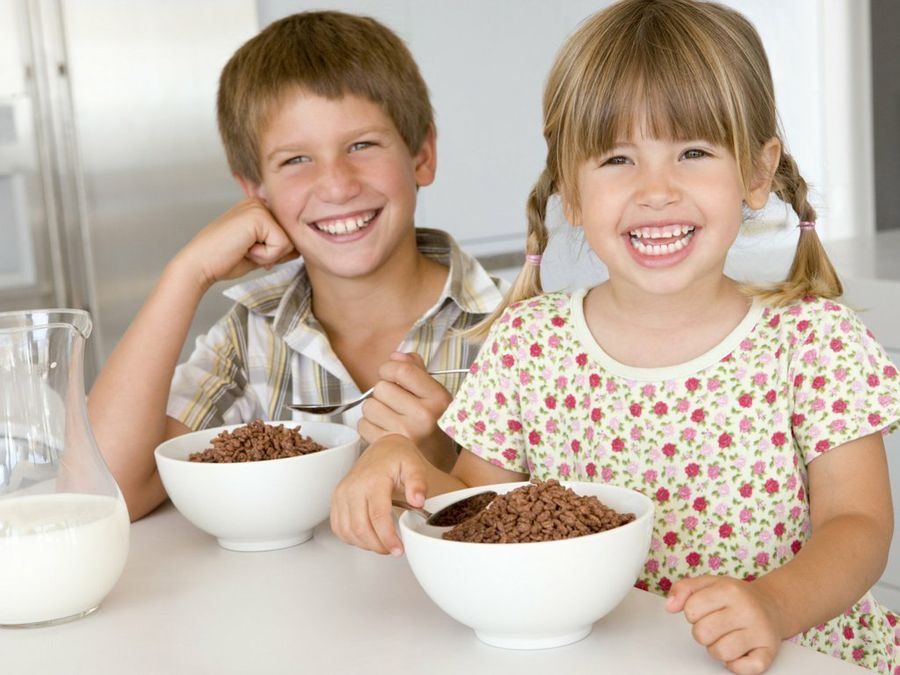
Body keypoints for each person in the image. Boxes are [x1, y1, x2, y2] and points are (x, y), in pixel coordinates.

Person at [330, 1, 900, 672]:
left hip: (796, 656)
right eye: (618, 158)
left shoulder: (813, 343)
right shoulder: (529, 345)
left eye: (693, 152)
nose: (656, 190)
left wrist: (774, 605)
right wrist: (399, 463)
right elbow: (483, 516)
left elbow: (859, 525)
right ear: (571, 189)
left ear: (755, 172)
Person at [88, 11, 507, 522]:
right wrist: (187, 274)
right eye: (295, 160)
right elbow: (105, 492)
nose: (337, 185)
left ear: (422, 155)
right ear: (255, 190)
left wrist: (444, 463)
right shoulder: (250, 338)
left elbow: (554, 526)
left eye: (362, 145)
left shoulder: (516, 328)